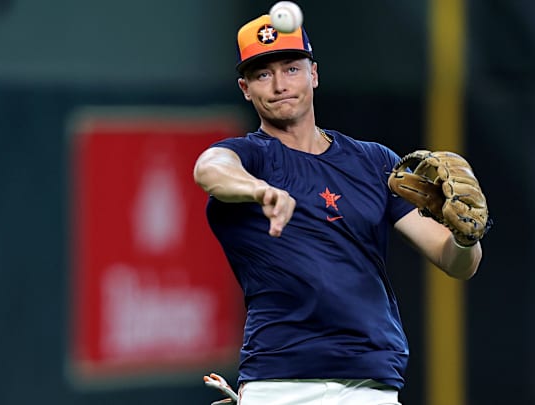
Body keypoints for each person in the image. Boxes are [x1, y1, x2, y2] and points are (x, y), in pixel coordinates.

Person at [194, 13, 486, 405]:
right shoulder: (250, 157)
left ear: (314, 74)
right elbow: (209, 168)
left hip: (372, 382)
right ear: (245, 89)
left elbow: (454, 261)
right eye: (263, 75)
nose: (280, 85)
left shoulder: (374, 161)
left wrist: (468, 238)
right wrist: (259, 190)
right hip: (283, 382)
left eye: (292, 68)